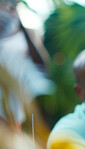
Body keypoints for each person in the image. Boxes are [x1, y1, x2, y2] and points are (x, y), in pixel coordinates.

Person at [0, 0, 54, 129]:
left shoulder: (29, 33)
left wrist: (21, 26)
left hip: (22, 108)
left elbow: (43, 67)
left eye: (10, 6)